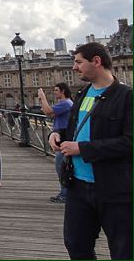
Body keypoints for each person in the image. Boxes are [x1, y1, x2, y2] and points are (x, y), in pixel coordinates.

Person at [48, 42, 132, 260]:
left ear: (96, 61)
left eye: (78, 62)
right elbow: (75, 131)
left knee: (123, 250)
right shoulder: (83, 94)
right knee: (76, 245)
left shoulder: (127, 97)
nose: (74, 68)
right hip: (77, 185)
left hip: (115, 189)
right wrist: (57, 136)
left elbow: (129, 143)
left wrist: (82, 149)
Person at [37, 83, 73, 203]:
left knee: (61, 167)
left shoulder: (66, 103)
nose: (54, 92)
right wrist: (42, 101)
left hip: (63, 137)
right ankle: (65, 193)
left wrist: (43, 97)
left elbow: (48, 110)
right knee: (61, 167)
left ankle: (65, 194)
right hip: (60, 136)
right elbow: (49, 113)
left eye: (56, 90)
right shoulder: (64, 103)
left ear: (63, 91)